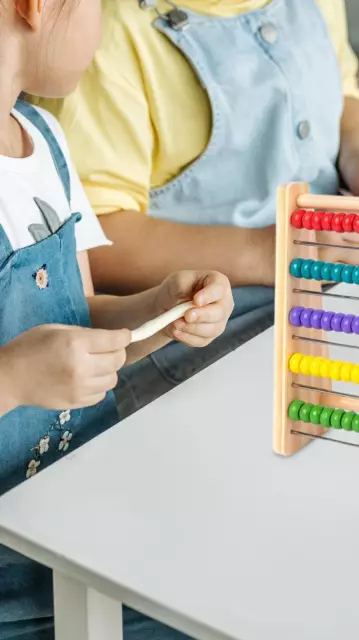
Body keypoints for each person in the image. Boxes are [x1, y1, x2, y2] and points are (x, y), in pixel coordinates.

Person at [37, 0, 359, 417]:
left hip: (334, 283)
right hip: (199, 339)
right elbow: (94, 243)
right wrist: (274, 251)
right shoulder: (104, 35)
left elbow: (341, 90)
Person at [0, 0, 233, 636]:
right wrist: (15, 379)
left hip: (94, 532)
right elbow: (34, 367)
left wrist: (160, 308)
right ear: (36, 7)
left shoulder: (43, 141)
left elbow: (82, 315)